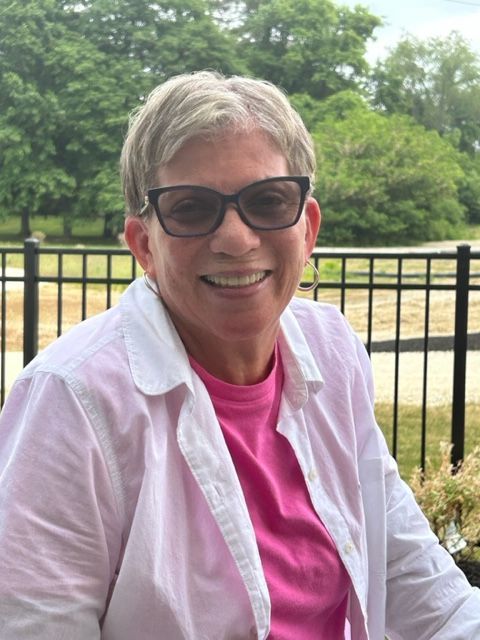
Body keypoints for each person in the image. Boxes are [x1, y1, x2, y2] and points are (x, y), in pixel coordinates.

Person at [0, 71, 478, 640]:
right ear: (143, 245)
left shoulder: (334, 351)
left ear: (309, 228)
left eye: (268, 200)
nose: (235, 238)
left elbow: (412, 578)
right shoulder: (72, 401)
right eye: (192, 208)